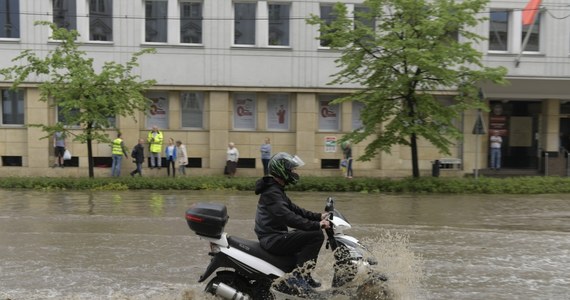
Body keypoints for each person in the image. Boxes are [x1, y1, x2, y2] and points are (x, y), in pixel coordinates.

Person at [254, 152, 330, 296]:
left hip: (275, 236)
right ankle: (299, 278)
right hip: (272, 239)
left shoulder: (275, 190)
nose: (294, 172)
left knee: (306, 234)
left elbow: (296, 210)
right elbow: (288, 217)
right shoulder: (272, 193)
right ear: (282, 170)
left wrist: (319, 216)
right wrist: (317, 225)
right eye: (292, 169)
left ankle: (304, 276)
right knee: (315, 235)